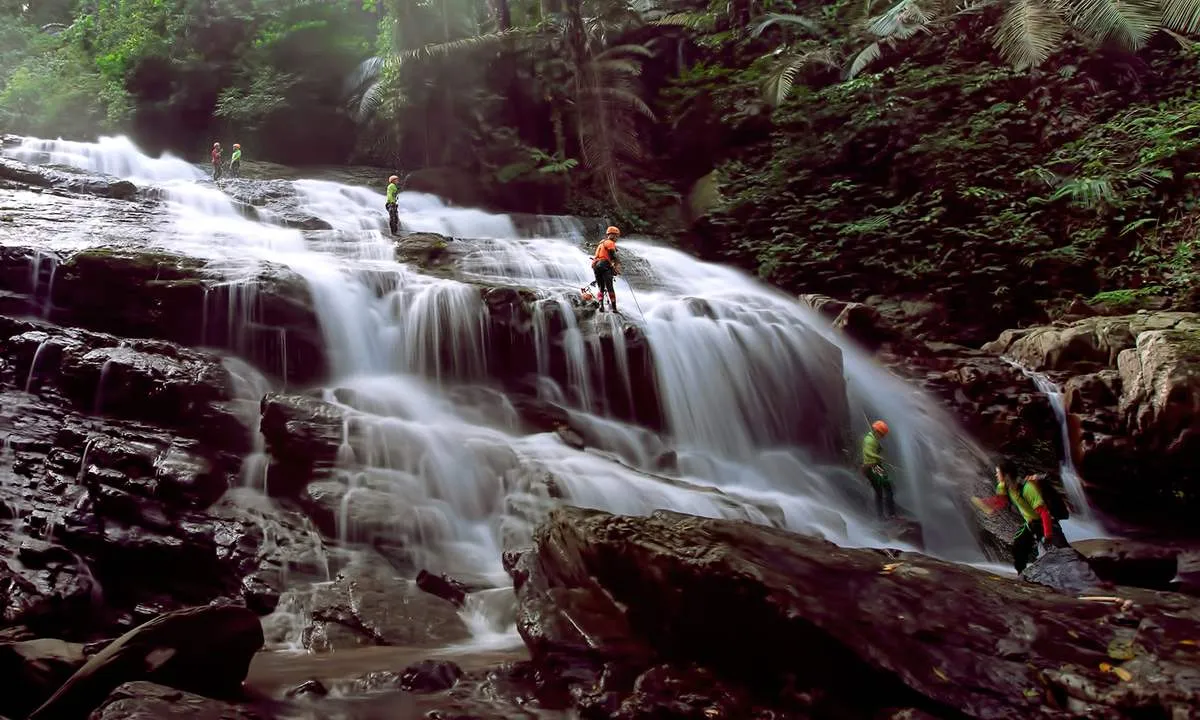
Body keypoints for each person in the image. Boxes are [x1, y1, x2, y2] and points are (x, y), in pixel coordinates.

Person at [972, 458, 1055, 573]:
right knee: (1018, 548)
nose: (996, 475)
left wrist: (1048, 535)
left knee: (1055, 552)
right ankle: (1022, 574)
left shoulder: (1027, 489)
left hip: (1044, 524)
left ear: (1006, 475)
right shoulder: (1007, 487)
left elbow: (1044, 512)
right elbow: (1000, 501)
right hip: (1030, 524)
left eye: (998, 473)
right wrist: (983, 503)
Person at [861, 420, 894, 520]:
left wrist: (879, 449)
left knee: (885, 488)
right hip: (872, 467)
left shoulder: (873, 439)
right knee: (883, 489)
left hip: (875, 466)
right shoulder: (869, 440)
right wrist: (878, 457)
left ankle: (886, 514)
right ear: (876, 431)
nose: (882, 437)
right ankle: (885, 515)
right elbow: (867, 452)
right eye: (882, 434)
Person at [591, 226, 621, 312]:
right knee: (609, 287)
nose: (616, 238)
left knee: (601, 287)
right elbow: (613, 255)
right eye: (616, 236)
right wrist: (616, 266)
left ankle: (601, 306)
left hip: (595, 265)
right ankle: (614, 308)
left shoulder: (601, 243)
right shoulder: (610, 243)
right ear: (612, 235)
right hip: (604, 265)